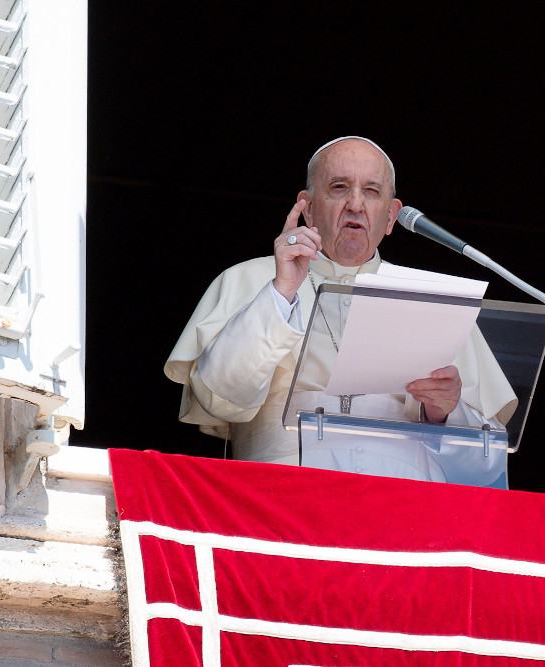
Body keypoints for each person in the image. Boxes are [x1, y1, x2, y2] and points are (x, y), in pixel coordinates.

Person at [165, 137, 517, 484]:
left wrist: (445, 413)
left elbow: (486, 469)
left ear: (391, 216)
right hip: (281, 489)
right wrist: (282, 291)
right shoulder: (249, 278)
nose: (355, 204)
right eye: (338, 187)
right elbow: (219, 398)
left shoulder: (435, 298)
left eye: (371, 191)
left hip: (406, 504)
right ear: (308, 206)